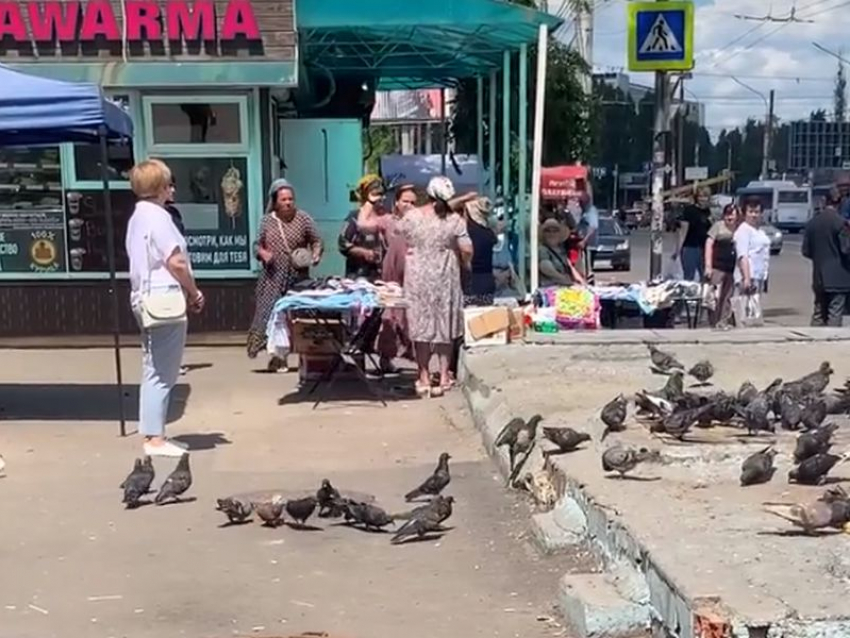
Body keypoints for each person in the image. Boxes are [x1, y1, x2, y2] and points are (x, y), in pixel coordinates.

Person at [125, 159, 204, 457]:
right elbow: (176, 262)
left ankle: (154, 433)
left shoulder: (137, 217)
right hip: (164, 299)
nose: (172, 188)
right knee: (164, 370)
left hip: (144, 297)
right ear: (159, 188)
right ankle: (155, 439)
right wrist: (194, 291)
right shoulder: (159, 217)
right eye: (169, 183)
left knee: (153, 367)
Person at [400, 176, 472, 398]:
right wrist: (464, 262)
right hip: (444, 275)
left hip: (417, 276)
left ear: (428, 195)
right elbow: (467, 248)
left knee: (421, 325)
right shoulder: (454, 221)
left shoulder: (412, 216)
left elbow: (398, 236)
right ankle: (443, 376)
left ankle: (422, 376)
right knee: (444, 325)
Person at [247, 178, 323, 370]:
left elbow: (317, 241)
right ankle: (278, 356)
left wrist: (315, 255)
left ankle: (306, 353)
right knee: (272, 316)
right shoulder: (267, 221)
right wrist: (263, 253)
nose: (288, 202)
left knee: (299, 316)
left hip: (298, 276)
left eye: (291, 199)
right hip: (273, 277)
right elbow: (257, 245)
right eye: (283, 199)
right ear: (275, 201)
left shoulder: (303, 219)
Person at [375, 184, 418, 371]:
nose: (409, 205)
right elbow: (363, 223)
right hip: (391, 271)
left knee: (414, 314)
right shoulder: (386, 221)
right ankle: (386, 357)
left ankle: (417, 357)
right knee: (390, 314)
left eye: (413, 202)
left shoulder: (420, 222)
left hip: (414, 271)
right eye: (405, 201)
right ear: (397, 202)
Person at [803, 187, 850, 326]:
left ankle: (813, 341)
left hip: (818, 276)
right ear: (840, 202)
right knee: (835, 313)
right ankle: (830, 343)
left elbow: (806, 251)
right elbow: (846, 249)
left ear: (824, 201)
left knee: (818, 312)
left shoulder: (812, 223)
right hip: (839, 278)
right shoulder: (841, 224)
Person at [338, 174, 386, 280]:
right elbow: (342, 243)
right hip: (356, 274)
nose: (380, 198)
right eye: (376, 194)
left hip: (380, 276)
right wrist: (364, 252)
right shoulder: (354, 218)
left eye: (381, 194)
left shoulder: (385, 217)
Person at [704, 203, 739, 329]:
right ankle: (713, 322)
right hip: (717, 266)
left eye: (732, 215)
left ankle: (723, 321)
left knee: (728, 296)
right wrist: (708, 266)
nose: (729, 217)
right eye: (727, 214)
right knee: (714, 296)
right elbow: (709, 244)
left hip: (731, 268)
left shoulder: (739, 228)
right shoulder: (718, 227)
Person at [462, 196, 498, 307]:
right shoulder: (489, 233)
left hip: (471, 281)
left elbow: (466, 253)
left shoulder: (466, 232)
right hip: (487, 279)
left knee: (469, 316)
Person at [734, 198, 771, 303]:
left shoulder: (759, 231)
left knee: (754, 310)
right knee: (744, 311)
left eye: (757, 212)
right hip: (748, 276)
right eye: (750, 212)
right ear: (744, 213)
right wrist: (747, 279)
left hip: (757, 276)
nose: (754, 215)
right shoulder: (743, 230)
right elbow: (742, 256)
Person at [675, 187, 713, 281]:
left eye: (705, 196)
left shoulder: (709, 212)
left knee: (706, 277)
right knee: (689, 277)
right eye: (700, 196)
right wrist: (678, 249)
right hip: (690, 247)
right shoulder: (689, 210)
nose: (702, 199)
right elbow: (683, 231)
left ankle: (703, 295)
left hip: (705, 249)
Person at [538, 218, 586, 287]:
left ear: (559, 234)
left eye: (555, 231)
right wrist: (564, 280)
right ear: (543, 234)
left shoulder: (561, 250)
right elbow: (545, 267)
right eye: (548, 231)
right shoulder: (542, 249)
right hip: (549, 288)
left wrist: (581, 282)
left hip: (565, 287)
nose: (552, 234)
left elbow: (569, 267)